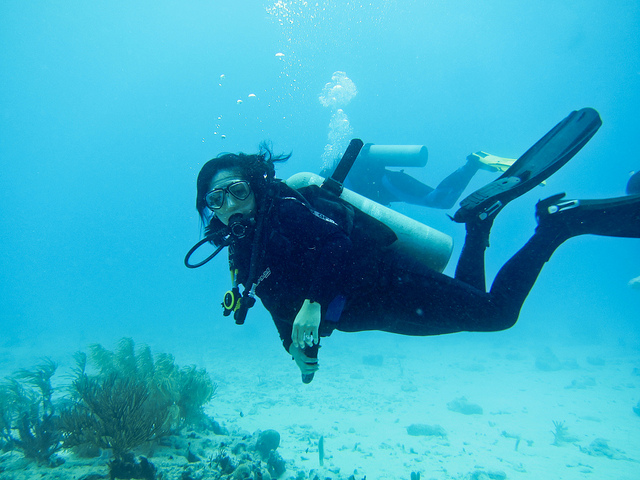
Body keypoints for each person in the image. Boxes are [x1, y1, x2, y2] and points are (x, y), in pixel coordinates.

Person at [187, 110, 640, 383]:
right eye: (216, 198)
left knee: (495, 315)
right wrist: (297, 353)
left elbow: (335, 244)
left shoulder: (283, 207)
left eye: (238, 190)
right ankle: (479, 225)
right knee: (476, 311)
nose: (230, 205)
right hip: (371, 315)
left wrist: (312, 302)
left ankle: (556, 226)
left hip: (387, 282)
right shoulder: (239, 251)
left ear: (256, 186)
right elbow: (270, 303)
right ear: (209, 209)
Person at [323, 148, 516, 209]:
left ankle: (472, 163)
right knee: (441, 201)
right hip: (388, 183)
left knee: (440, 200)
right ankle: (473, 164)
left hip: (387, 183)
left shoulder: (337, 184)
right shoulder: (342, 178)